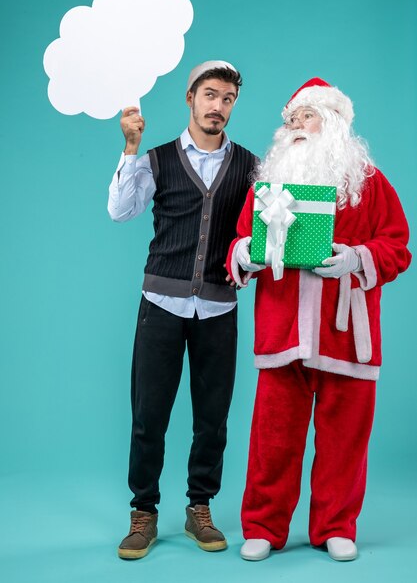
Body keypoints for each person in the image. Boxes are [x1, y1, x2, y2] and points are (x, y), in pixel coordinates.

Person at [226, 77, 411, 562]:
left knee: (345, 437)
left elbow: (397, 246)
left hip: (346, 334)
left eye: (306, 117)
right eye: (290, 120)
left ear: (331, 123)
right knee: (273, 436)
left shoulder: (368, 182)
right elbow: (243, 238)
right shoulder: (269, 183)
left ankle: (335, 525)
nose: (294, 128)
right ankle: (264, 526)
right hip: (282, 328)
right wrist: (244, 252)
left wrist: (357, 259)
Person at [108, 61, 257, 559]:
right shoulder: (157, 159)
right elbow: (120, 210)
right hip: (161, 304)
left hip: (218, 306)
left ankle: (200, 507)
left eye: (228, 98)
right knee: (149, 414)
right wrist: (129, 148)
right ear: (190, 98)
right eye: (210, 95)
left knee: (212, 418)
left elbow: (260, 230)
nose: (218, 106)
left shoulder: (251, 166)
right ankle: (143, 512)